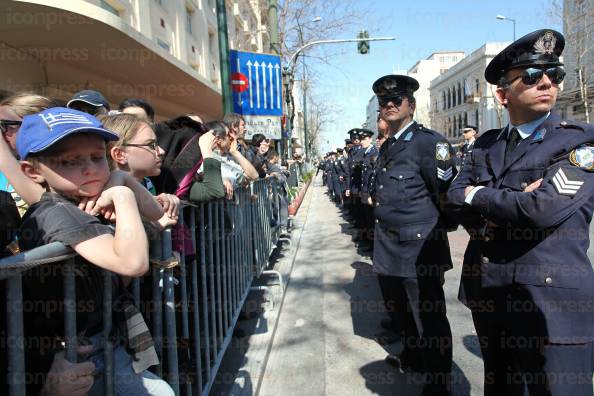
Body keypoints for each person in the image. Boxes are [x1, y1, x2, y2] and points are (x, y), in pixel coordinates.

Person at [447, 29, 594, 395]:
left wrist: (478, 194)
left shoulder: (578, 140)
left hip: (553, 303)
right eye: (530, 76)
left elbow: (541, 210)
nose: (545, 82)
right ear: (503, 94)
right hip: (491, 293)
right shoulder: (485, 144)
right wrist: (507, 200)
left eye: (553, 74)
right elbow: (451, 196)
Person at [16, 107, 173, 396]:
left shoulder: (84, 197)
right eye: (69, 161)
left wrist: (121, 180)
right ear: (32, 171)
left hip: (103, 337)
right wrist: (124, 196)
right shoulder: (56, 212)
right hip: (81, 352)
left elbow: (154, 213)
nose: (89, 168)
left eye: (97, 157)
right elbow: (133, 263)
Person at [369, 74, 457, 395]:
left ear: (411, 105)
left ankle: (439, 382)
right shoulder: (389, 144)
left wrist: (435, 234)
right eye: (383, 102)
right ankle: (415, 357)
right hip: (389, 249)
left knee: (430, 320)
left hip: (420, 251)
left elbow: (446, 194)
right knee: (401, 312)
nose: (389, 105)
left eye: (396, 100)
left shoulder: (431, 143)